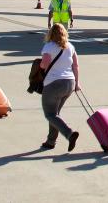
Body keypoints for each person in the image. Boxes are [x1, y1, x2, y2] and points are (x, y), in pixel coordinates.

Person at [39, 23, 80, 151]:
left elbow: (44, 64)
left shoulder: (49, 46)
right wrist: (77, 83)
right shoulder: (70, 46)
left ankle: (69, 133)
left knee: (50, 114)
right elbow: (76, 66)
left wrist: (40, 66)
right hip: (70, 83)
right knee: (55, 114)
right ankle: (51, 141)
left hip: (54, 84)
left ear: (51, 33)